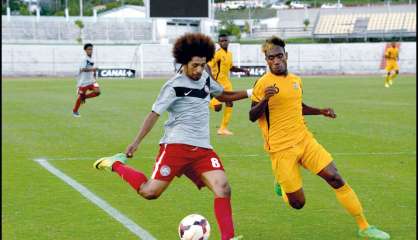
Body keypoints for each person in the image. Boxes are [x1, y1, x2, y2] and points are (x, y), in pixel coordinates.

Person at [93, 33, 251, 240]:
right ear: (184, 62)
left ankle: (227, 238)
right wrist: (136, 142)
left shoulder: (204, 78)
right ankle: (115, 164)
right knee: (150, 192)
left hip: (202, 149)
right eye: (195, 65)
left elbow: (223, 95)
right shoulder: (173, 85)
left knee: (223, 188)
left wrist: (252, 91)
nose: (199, 70)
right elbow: (154, 114)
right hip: (175, 147)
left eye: (202, 65)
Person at [249, 36, 390, 240]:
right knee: (298, 203)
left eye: (279, 56)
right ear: (267, 60)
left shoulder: (296, 80)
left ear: (286, 56)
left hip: (305, 140)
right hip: (281, 149)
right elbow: (252, 116)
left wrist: (320, 111)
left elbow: (298, 107)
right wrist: (264, 99)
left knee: (335, 178)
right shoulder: (262, 84)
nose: (276, 61)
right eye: (271, 58)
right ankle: (281, 182)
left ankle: (364, 226)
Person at [208, 34, 250, 136]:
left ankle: (223, 128)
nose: (224, 42)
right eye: (221, 41)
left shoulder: (229, 54)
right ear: (219, 43)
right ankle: (204, 102)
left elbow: (231, 68)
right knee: (217, 108)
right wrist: (212, 80)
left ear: (228, 41)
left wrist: (242, 70)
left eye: (225, 40)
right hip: (217, 84)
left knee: (230, 103)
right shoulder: (217, 54)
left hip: (226, 83)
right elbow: (207, 66)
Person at [72, 43, 100, 117]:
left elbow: (91, 69)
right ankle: (75, 111)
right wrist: (93, 69)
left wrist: (94, 74)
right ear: (85, 50)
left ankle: (84, 97)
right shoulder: (84, 59)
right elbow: (82, 69)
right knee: (80, 97)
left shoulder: (92, 59)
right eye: (88, 49)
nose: (90, 51)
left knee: (97, 92)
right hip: (83, 82)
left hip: (92, 81)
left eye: (91, 49)